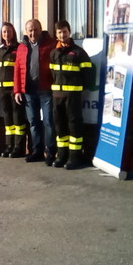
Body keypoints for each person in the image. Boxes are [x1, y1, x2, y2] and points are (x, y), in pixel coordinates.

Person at [50, 20, 93, 169]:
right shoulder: (53, 53)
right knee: (60, 126)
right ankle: (62, 155)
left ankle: (75, 158)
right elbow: (51, 75)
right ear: (56, 35)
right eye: (60, 32)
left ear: (70, 32)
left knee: (74, 126)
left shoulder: (79, 52)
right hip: (57, 97)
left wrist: (78, 89)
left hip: (73, 96)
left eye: (65, 32)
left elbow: (88, 75)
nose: (63, 35)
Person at [14, 19, 57, 165]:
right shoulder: (22, 47)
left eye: (35, 29)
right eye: (30, 30)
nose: (33, 33)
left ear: (41, 29)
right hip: (28, 91)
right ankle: (37, 151)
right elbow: (17, 70)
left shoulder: (51, 44)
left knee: (48, 122)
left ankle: (50, 152)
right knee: (33, 122)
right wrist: (17, 90)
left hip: (46, 90)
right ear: (26, 32)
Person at [0, 22, 28, 158]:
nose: (6, 34)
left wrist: (19, 89)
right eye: (4, 32)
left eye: (9, 31)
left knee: (18, 119)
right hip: (3, 90)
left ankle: (19, 147)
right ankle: (9, 146)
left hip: (14, 91)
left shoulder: (19, 48)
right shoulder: (0, 50)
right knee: (8, 120)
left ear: (13, 32)